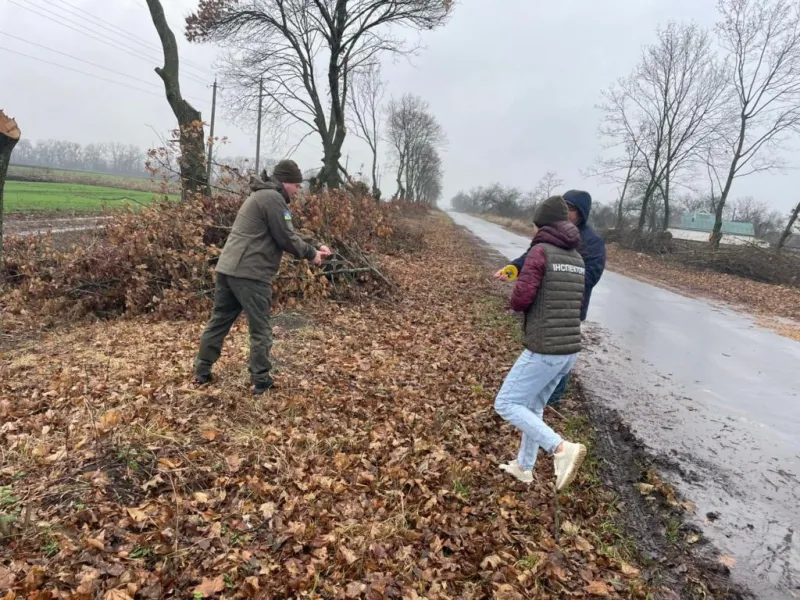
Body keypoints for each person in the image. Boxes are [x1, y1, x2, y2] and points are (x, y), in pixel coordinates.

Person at [193, 159, 331, 395]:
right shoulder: (273, 199)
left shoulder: (262, 196)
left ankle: (201, 371)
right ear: (286, 182)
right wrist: (312, 255)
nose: (298, 190)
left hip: (228, 269)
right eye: (296, 185)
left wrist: (316, 244)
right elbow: (286, 238)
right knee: (261, 329)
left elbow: (287, 232)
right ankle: (261, 381)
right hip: (251, 273)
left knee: (219, 322)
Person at [494, 195, 587, 490]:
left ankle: (561, 448)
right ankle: (524, 467)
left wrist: (513, 297)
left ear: (542, 224)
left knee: (506, 402)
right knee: (533, 408)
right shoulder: (577, 257)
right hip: (568, 350)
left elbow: (521, 299)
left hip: (544, 347)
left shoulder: (540, 252)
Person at [495, 189, 606, 407]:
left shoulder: (592, 241)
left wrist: (560, 286)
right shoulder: (551, 233)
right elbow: (533, 256)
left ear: (581, 213)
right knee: (542, 346)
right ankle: (535, 393)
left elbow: (591, 275)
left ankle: (552, 399)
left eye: (571, 207)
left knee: (560, 347)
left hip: (571, 306)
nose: (566, 211)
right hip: (545, 305)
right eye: (563, 205)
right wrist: (513, 268)